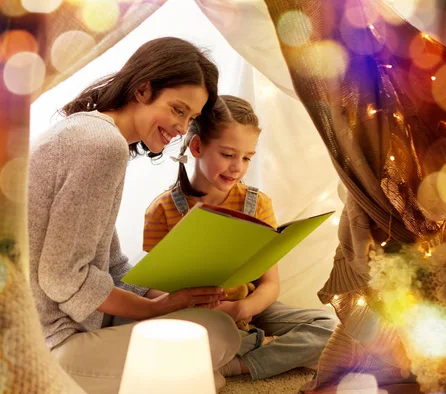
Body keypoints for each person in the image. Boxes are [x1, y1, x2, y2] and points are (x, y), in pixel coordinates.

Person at [28, 37, 241, 394]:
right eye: (177, 110)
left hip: (62, 323)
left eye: (189, 118)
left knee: (207, 328)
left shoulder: (92, 132)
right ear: (143, 90)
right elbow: (62, 278)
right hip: (49, 342)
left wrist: (169, 294)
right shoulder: (100, 145)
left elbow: (109, 263)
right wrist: (157, 308)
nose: (180, 127)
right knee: (217, 336)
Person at [143, 95, 338, 380]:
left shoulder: (257, 205)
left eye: (247, 158)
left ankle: (235, 364)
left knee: (329, 327)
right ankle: (256, 345)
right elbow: (152, 290)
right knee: (155, 334)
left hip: (246, 307)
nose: (238, 167)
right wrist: (187, 302)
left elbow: (270, 285)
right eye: (227, 154)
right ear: (197, 147)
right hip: (195, 314)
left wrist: (241, 309)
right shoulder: (162, 209)